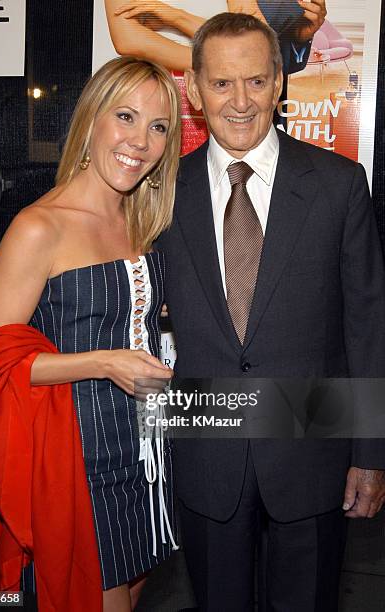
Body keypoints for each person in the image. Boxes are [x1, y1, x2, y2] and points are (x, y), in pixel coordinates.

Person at [157, 12, 385, 612]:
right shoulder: (158, 193)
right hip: (207, 442)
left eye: (256, 81)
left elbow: (366, 326)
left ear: (280, 82)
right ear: (195, 90)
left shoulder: (339, 184)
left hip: (313, 446)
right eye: (222, 83)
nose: (240, 101)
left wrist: (368, 453)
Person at [0, 56, 181, 612]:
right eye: (127, 117)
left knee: (133, 594)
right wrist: (105, 362)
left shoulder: (143, 219)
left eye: (158, 127)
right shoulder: (39, 226)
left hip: (149, 455)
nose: (141, 141)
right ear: (92, 122)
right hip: (79, 460)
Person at [105, 0, 327, 75]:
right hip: (155, 87)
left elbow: (249, 40)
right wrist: (225, 60)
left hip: (222, 92)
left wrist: (175, 17)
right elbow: (128, 39)